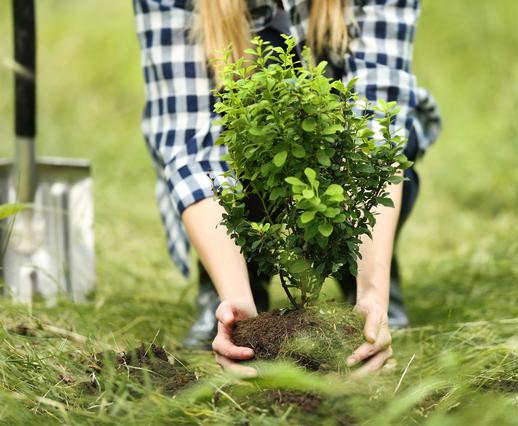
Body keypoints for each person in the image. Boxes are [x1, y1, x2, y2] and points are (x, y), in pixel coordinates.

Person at [132, 0, 440, 376]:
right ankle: (229, 280)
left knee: (384, 151)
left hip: (340, 159)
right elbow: (191, 150)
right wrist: (236, 301)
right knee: (255, 122)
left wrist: (373, 293)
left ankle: (362, 272)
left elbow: (377, 127)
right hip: (238, 170)